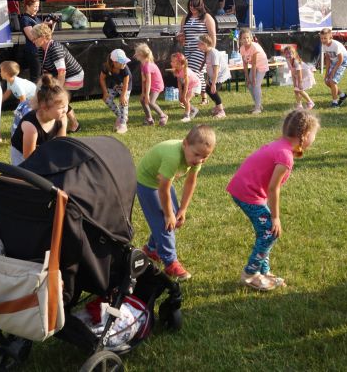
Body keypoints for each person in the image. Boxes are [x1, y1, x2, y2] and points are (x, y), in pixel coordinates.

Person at [227, 109, 320, 291]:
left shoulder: (281, 146)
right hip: (248, 193)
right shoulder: (285, 156)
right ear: (305, 135)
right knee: (270, 232)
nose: (314, 138)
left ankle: (264, 271)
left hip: (246, 190)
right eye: (314, 134)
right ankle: (250, 274)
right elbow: (273, 188)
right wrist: (275, 217)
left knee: (267, 232)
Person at [135, 125, 216, 281]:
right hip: (147, 184)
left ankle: (151, 249)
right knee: (166, 223)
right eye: (197, 155)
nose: (199, 160)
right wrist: (168, 214)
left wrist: (182, 209)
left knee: (175, 219)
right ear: (185, 144)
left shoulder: (196, 155)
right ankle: (170, 262)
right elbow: (163, 189)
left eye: (205, 157)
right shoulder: (173, 157)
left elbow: (191, 182)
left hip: (162, 183)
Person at [32, 23, 82, 132]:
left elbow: (62, 72)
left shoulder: (55, 48)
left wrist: (58, 90)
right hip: (60, 76)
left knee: (57, 99)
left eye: (34, 38)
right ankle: (67, 124)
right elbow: (46, 71)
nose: (33, 41)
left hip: (74, 76)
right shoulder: (41, 49)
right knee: (52, 98)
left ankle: (72, 124)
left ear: (43, 37)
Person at [10, 74, 68, 165]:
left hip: (42, 149)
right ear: (44, 107)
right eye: (61, 107)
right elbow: (28, 158)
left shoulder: (62, 118)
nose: (65, 110)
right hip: (22, 155)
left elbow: (60, 144)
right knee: (25, 173)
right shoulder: (31, 126)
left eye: (66, 106)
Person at [178, 0, 216, 106]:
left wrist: (211, 51)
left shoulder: (207, 17)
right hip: (188, 49)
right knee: (197, 73)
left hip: (201, 50)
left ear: (200, 6)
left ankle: (187, 99)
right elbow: (182, 33)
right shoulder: (186, 17)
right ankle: (204, 97)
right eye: (190, 5)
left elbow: (213, 35)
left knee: (193, 72)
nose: (192, 8)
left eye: (194, 6)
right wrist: (180, 37)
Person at [0, 60, 38, 135]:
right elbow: (8, 92)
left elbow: (23, 99)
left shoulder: (17, 84)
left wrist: (18, 110)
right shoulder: (10, 80)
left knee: (26, 116)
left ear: (6, 73)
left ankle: (27, 129)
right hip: (28, 100)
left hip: (35, 100)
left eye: (1, 71)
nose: (0, 73)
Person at [133, 43, 167, 126]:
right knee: (143, 100)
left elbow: (148, 81)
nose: (135, 54)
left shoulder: (148, 66)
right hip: (151, 85)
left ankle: (163, 116)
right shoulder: (142, 65)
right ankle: (149, 119)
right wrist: (143, 93)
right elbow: (143, 80)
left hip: (157, 86)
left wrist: (147, 94)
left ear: (141, 54)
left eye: (137, 52)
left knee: (151, 102)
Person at [99, 49, 132, 134]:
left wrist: (123, 95)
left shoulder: (125, 69)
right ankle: (121, 116)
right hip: (114, 85)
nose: (124, 63)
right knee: (107, 99)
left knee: (123, 102)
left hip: (125, 86)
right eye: (122, 62)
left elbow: (126, 83)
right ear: (114, 62)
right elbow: (102, 79)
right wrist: (105, 92)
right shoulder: (106, 67)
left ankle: (123, 124)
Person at [198, 34, 230, 119]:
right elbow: (207, 66)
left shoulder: (214, 53)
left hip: (220, 75)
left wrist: (213, 84)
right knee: (208, 89)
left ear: (205, 44)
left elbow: (216, 70)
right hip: (214, 75)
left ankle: (221, 111)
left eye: (200, 43)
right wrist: (208, 79)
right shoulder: (206, 52)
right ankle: (217, 107)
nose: (198, 45)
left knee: (213, 91)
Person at [19, 0, 51, 80]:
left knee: (42, 75)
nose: (37, 9)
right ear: (27, 6)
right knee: (36, 76)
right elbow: (31, 37)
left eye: (38, 6)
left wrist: (52, 24)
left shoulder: (37, 18)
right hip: (33, 51)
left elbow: (47, 35)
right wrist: (44, 24)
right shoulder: (25, 19)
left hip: (41, 50)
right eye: (35, 6)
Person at [239, 27, 269, 114]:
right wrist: (247, 78)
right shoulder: (242, 49)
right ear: (240, 40)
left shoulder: (254, 47)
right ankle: (258, 104)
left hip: (261, 65)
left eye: (247, 37)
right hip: (254, 66)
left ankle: (258, 108)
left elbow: (254, 64)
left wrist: (254, 78)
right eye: (244, 38)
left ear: (251, 38)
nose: (246, 40)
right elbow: (245, 64)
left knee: (256, 85)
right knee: (249, 85)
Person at [319, 28, 347, 108]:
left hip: (342, 62)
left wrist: (333, 71)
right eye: (321, 38)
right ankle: (342, 95)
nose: (323, 40)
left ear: (330, 37)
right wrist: (326, 73)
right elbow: (328, 59)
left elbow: (341, 59)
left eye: (325, 38)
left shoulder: (335, 45)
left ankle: (335, 102)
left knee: (333, 81)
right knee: (327, 81)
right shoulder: (324, 45)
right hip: (334, 61)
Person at [282, 45, 314, 110]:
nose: (288, 55)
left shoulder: (296, 61)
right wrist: (294, 83)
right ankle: (299, 105)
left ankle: (310, 102)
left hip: (305, 75)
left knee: (300, 90)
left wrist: (300, 83)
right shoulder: (288, 60)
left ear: (294, 54)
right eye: (286, 53)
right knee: (296, 90)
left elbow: (300, 73)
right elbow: (292, 71)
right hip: (298, 75)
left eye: (290, 53)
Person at [171, 52, 200, 122]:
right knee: (183, 99)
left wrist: (184, 95)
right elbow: (179, 82)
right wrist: (180, 94)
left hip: (195, 85)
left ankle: (187, 116)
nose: (171, 63)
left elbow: (186, 84)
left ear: (179, 63)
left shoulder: (185, 71)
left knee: (186, 99)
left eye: (173, 61)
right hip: (190, 86)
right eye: (171, 61)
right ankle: (194, 110)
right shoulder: (177, 70)